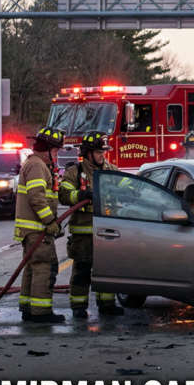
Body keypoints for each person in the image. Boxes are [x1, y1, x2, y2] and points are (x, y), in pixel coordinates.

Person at [59, 132, 124, 319]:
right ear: (87, 153)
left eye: (103, 151)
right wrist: (81, 195)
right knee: (82, 270)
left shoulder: (111, 170)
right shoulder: (75, 171)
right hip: (83, 233)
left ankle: (107, 304)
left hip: (108, 231)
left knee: (107, 269)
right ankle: (79, 307)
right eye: (98, 152)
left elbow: (127, 187)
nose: (102, 155)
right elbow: (64, 194)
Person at [15, 126, 65, 323]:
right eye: (56, 151)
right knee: (45, 267)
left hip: (32, 230)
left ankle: (28, 308)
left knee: (32, 268)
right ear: (48, 148)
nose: (57, 154)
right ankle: (41, 311)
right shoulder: (37, 165)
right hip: (37, 229)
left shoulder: (36, 163)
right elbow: (36, 198)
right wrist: (50, 222)